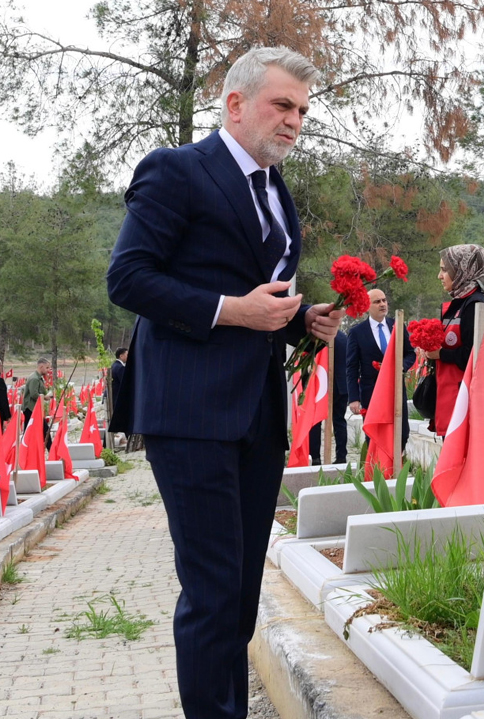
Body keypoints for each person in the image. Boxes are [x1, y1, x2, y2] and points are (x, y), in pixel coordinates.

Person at [105, 47, 343, 719]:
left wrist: (299, 320)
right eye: (282, 105)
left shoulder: (273, 187)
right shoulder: (178, 171)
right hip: (190, 411)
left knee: (239, 596)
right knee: (212, 592)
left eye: (302, 109)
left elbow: (261, 294)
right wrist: (233, 310)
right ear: (235, 104)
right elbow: (128, 277)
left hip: (258, 415)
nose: (295, 120)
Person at [427, 244, 484, 443]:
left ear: (463, 271)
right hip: (456, 401)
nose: (440, 276)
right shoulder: (461, 303)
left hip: (468, 405)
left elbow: (477, 357)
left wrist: (440, 354)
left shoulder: (476, 306)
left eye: (445, 270)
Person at [345, 289, 415, 451]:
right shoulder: (357, 332)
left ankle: (398, 469)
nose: (382, 304)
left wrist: (400, 366)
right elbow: (352, 367)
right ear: (367, 306)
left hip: (396, 390)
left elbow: (410, 353)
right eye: (377, 302)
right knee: (376, 438)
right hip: (371, 393)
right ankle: (377, 472)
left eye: (384, 300)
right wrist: (354, 398)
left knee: (402, 433)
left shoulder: (397, 325)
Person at [308, 329, 349, 465]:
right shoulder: (344, 337)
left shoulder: (321, 336)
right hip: (342, 385)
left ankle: (315, 457)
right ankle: (341, 456)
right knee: (339, 421)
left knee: (315, 421)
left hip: (322, 384)